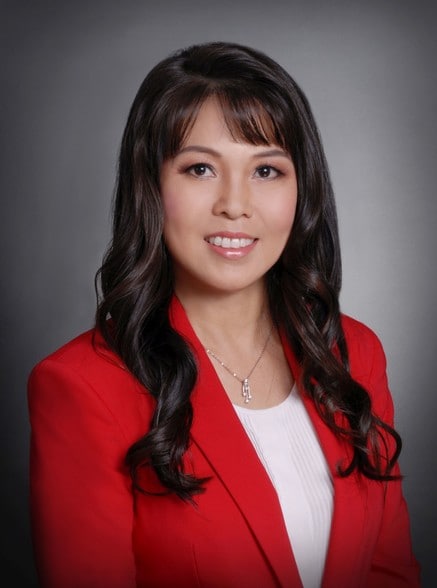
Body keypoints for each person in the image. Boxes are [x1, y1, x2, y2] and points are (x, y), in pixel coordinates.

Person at [27, 42, 420, 588]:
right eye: (201, 168)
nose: (235, 204)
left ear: (302, 189)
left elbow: (388, 571)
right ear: (151, 185)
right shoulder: (82, 387)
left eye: (267, 170)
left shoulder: (354, 355)